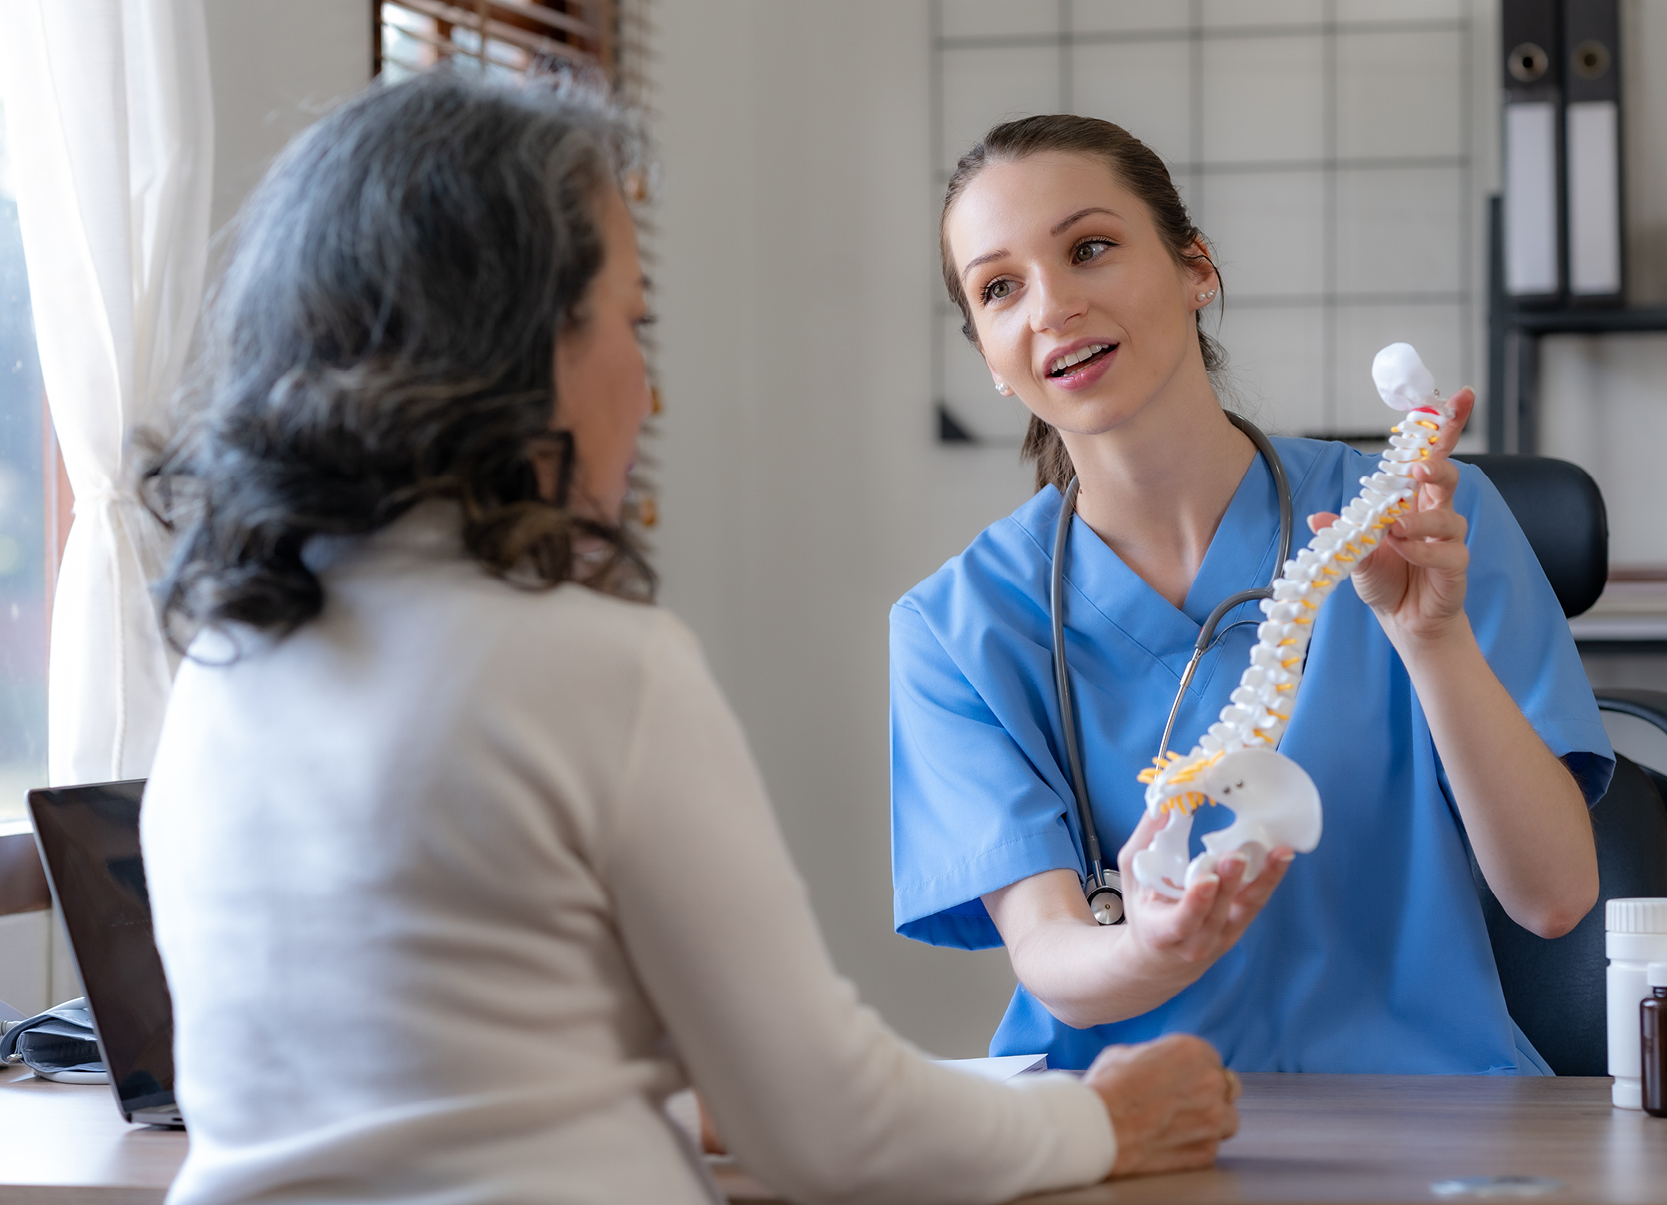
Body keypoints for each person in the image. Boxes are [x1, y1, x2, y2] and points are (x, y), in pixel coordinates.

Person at [135, 74, 1239, 1205]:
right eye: (631, 324)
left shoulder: (226, 671)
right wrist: (1105, 1120)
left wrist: (656, 1095)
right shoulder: (594, 666)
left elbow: (427, 1082)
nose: (647, 389)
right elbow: (830, 1127)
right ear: (516, 348)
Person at [890, 114, 1614, 1075]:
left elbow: (1554, 897)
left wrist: (1431, 639)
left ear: (1195, 268)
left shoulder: (1420, 519)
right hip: (1125, 1119)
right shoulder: (957, 629)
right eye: (999, 288)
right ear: (988, 355)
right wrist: (1152, 949)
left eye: (1090, 248)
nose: (1051, 306)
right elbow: (1050, 953)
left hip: (1424, 1117)